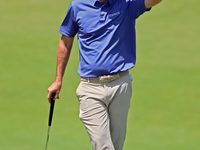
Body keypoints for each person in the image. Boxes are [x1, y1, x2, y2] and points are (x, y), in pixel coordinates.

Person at [47, 0, 162, 149]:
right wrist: (58, 80)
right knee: (104, 146)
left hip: (121, 86)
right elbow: (66, 42)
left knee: (116, 145)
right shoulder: (78, 6)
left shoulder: (126, 4)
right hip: (90, 88)